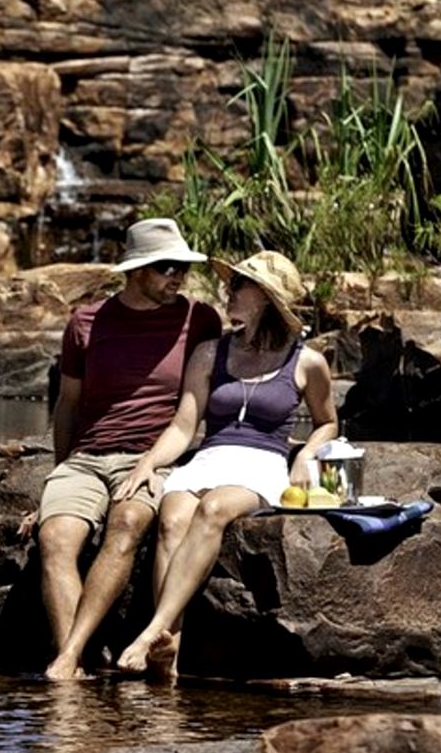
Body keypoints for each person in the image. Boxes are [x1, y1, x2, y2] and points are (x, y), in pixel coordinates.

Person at [112, 250, 338, 679]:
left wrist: (306, 453)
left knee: (213, 509)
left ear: (267, 298)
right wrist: (148, 463)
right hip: (210, 456)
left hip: (262, 463)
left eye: (238, 285)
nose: (226, 291)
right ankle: (168, 655)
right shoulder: (208, 354)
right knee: (173, 515)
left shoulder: (307, 361)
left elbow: (328, 423)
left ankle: (153, 631)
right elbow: (183, 427)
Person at [36, 218, 222, 682]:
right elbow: (68, 404)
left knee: (129, 520)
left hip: (151, 457)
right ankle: (74, 662)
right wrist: (60, 473)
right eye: (165, 268)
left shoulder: (199, 319)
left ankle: (67, 658)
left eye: (182, 267)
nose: (176, 276)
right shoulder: (86, 322)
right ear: (136, 270)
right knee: (55, 539)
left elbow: (196, 407)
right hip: (87, 458)